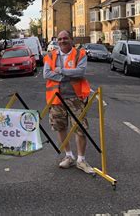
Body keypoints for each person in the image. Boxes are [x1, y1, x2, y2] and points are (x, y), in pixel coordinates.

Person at [43, 30, 94, 174]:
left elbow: (80, 72)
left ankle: (81, 160)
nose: (62, 41)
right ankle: (69, 156)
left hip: (75, 98)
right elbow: (46, 74)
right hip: (56, 98)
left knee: (80, 129)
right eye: (59, 39)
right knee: (60, 127)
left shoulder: (80, 54)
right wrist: (64, 76)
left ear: (71, 40)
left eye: (65, 38)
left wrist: (61, 71)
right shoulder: (50, 55)